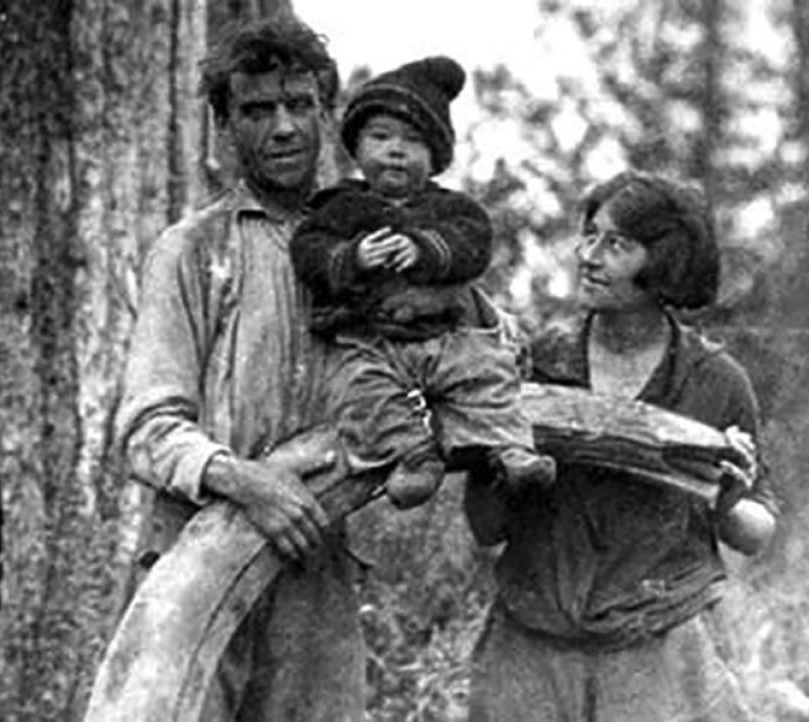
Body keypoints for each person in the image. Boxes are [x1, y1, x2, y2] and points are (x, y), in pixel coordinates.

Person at [114, 18, 366, 720]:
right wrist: (246, 482)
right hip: (195, 559)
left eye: (299, 105)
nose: (283, 128)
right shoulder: (192, 251)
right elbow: (147, 427)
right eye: (257, 110)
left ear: (327, 113)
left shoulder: (367, 251)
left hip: (314, 561)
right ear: (224, 125)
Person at [464, 170, 778, 721]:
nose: (589, 255)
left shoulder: (713, 380)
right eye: (589, 236)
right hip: (532, 648)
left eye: (617, 244)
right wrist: (508, 474)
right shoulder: (537, 364)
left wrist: (726, 500)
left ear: (666, 262)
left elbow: (756, 532)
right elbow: (485, 525)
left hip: (657, 652)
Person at [290, 56, 555, 509]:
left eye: (412, 141)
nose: (396, 149)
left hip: (446, 336)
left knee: (487, 372)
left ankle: (509, 448)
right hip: (369, 341)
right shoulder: (337, 207)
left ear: (434, 157)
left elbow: (473, 245)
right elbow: (309, 251)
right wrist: (352, 257)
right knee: (361, 393)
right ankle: (413, 457)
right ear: (356, 147)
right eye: (380, 137)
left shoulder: (452, 210)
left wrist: (424, 250)